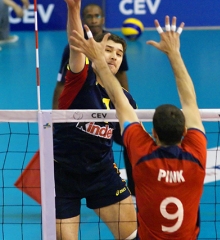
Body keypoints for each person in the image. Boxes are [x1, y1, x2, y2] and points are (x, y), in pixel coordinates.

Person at [70, 15, 207, 239]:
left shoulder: (143, 156)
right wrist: (175, 54)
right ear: (185, 133)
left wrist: (100, 64)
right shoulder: (197, 157)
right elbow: (190, 102)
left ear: (153, 133)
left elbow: (119, 100)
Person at [53, 0, 137, 239]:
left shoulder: (126, 100)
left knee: (133, 236)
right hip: (62, 175)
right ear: (96, 50)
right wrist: (73, 9)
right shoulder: (80, 80)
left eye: (119, 54)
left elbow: (133, 139)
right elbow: (75, 46)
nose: (113, 56)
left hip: (101, 174)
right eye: (108, 50)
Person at [52, 3, 129, 110]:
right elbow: (61, 83)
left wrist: (125, 100)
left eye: (97, 16)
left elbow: (121, 74)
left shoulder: (115, 43)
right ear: (83, 20)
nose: (94, 20)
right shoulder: (73, 52)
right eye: (89, 16)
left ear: (103, 19)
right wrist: (55, 116)